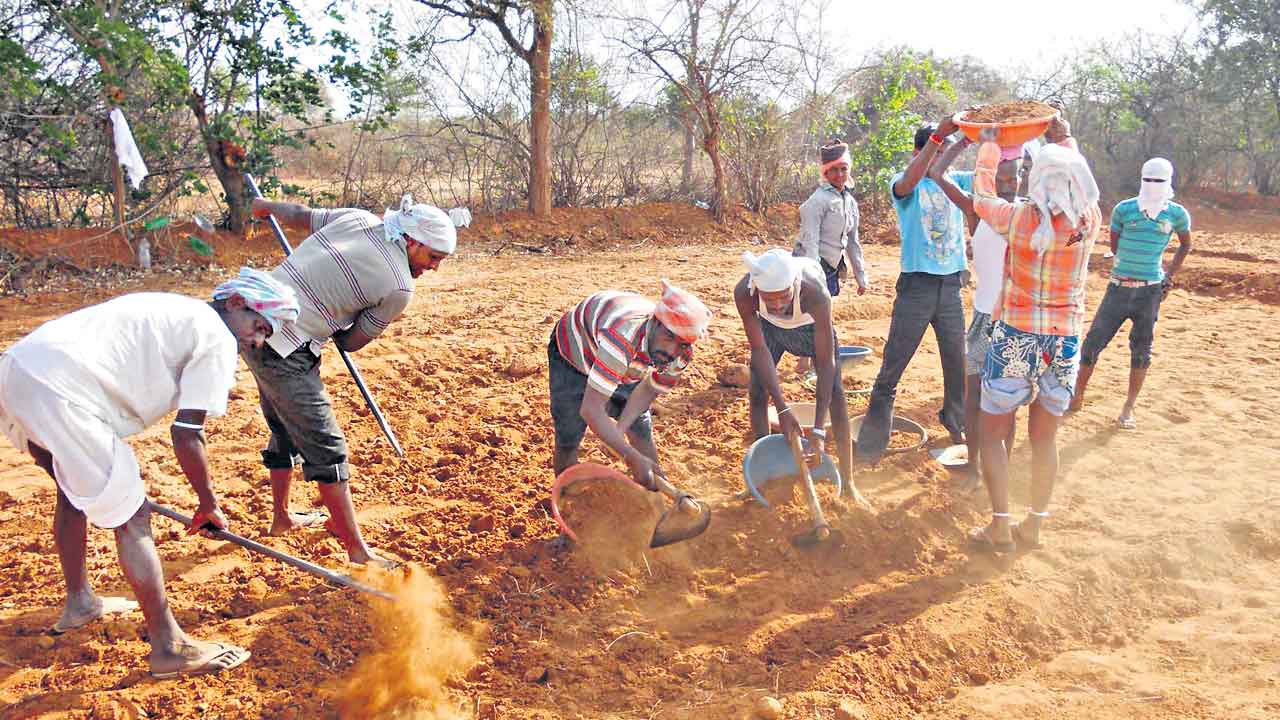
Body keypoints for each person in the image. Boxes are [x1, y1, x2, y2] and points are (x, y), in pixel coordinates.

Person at [0, 269, 299, 677]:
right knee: (134, 519)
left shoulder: (178, 307)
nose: (257, 341)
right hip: (64, 391)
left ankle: (80, 603)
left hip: (17, 371)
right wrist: (208, 504)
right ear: (234, 304)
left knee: (72, 490)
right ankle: (169, 648)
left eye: (266, 335)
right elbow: (187, 433)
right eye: (258, 326)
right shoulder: (215, 338)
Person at [245, 193, 456, 565]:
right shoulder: (399, 288)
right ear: (413, 240)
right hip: (286, 348)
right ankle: (358, 552)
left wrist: (267, 207)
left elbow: (297, 214)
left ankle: (282, 518)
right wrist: (337, 322)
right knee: (327, 446)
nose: (434, 268)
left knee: (284, 425)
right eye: (433, 257)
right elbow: (354, 341)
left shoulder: (358, 219)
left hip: (250, 323)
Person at [967, 113, 1102, 553]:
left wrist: (988, 146)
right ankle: (1036, 525)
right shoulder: (1089, 221)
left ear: (1035, 178)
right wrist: (1063, 135)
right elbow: (1074, 170)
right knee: (1045, 438)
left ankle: (1000, 524)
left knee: (992, 432)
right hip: (1064, 341)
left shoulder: (1018, 219)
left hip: (1016, 337)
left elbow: (981, 194)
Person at [857, 116, 973, 463]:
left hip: (951, 284)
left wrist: (968, 139)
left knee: (957, 362)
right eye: (931, 153)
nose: (937, 161)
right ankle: (871, 445)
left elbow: (992, 176)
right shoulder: (905, 183)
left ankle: (955, 420)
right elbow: (910, 180)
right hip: (917, 286)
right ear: (917, 153)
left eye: (943, 154)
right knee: (892, 367)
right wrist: (940, 136)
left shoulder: (959, 180)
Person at [929, 141, 1038, 490]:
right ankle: (976, 469)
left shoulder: (1032, 214)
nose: (1010, 183)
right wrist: (960, 140)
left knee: (1009, 404)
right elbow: (936, 173)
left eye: (1016, 176)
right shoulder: (978, 211)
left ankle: (998, 471)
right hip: (981, 320)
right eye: (1002, 177)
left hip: (1017, 323)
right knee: (974, 399)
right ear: (990, 178)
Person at [549, 281, 711, 491]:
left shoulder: (680, 356)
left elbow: (648, 389)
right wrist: (630, 456)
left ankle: (656, 498)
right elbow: (590, 409)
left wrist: (621, 428)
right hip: (576, 352)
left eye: (682, 343)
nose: (671, 351)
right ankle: (566, 493)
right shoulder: (622, 337)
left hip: (625, 358)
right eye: (669, 336)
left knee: (639, 428)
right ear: (654, 322)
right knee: (570, 430)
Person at [735, 249, 867, 505]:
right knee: (757, 391)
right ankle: (761, 473)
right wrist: (783, 409)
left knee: (836, 396)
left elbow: (826, 363)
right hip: (770, 331)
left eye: (782, 297)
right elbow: (759, 349)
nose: (775, 305)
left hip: (809, 330)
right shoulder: (745, 293)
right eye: (768, 299)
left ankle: (849, 482)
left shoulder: (814, 293)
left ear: (794, 285)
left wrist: (818, 431)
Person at [1070, 158, 1193, 429]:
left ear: (1168, 183)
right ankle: (1077, 396)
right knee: (1092, 344)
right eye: (1149, 180)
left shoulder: (1177, 214)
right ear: (1141, 179)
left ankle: (1128, 408)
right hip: (1118, 288)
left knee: (1141, 351)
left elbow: (1186, 245)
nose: (1153, 186)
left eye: (1158, 181)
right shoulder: (1123, 210)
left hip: (1150, 293)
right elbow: (1114, 244)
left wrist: (1169, 275)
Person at [796, 141, 868, 298]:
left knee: (822, 314)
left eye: (844, 169)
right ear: (825, 173)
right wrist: (814, 275)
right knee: (809, 315)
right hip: (810, 265)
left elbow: (852, 242)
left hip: (831, 268)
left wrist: (860, 276)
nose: (840, 174)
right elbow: (810, 239)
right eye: (834, 170)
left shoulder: (850, 202)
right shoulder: (818, 200)